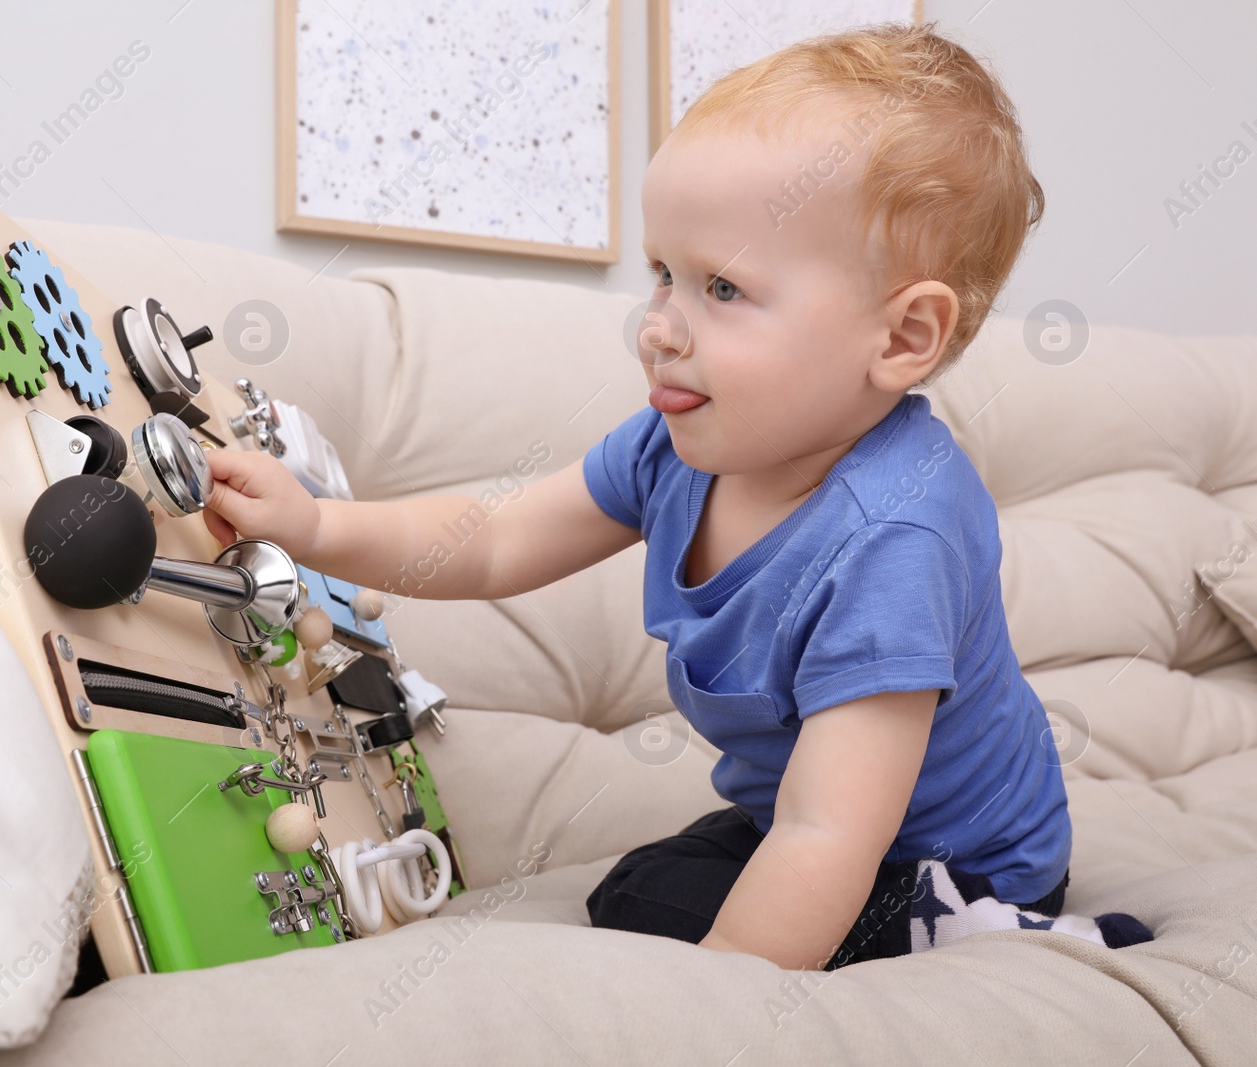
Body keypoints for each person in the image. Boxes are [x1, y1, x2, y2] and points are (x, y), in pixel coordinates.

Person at [198, 20, 1153, 972]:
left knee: (673, 912)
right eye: (663, 275)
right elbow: (495, 541)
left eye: (723, 289)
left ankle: (1013, 935)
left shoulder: (898, 533)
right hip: (810, 813)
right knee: (635, 891)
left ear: (902, 339)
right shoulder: (677, 445)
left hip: (954, 859)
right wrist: (318, 524)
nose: (659, 328)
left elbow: (831, 833)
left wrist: (718, 1005)